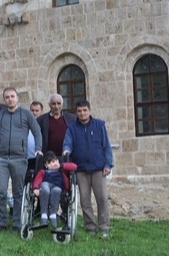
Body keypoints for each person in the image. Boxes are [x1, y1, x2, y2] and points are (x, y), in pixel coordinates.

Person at [0, 87, 42, 232]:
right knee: (0, 191)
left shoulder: (26, 114)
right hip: (2, 159)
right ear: (4, 100)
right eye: (7, 97)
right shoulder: (0, 115)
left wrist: (38, 148)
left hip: (19, 159)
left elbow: (37, 131)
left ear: (17, 98)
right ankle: (2, 221)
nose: (10, 99)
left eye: (12, 96)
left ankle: (17, 223)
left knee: (18, 192)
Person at [62, 99, 114, 239]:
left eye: (85, 110)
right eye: (79, 111)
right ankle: (90, 227)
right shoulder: (72, 128)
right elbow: (68, 143)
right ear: (76, 113)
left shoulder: (99, 125)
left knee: (102, 198)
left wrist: (108, 164)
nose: (82, 113)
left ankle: (104, 228)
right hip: (80, 169)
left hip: (98, 168)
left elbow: (106, 146)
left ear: (89, 111)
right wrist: (66, 150)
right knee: (85, 200)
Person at [32, 151, 77, 228]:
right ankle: (44, 214)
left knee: (56, 191)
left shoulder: (62, 170)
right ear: (46, 165)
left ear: (58, 161)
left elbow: (74, 167)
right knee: (44, 186)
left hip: (58, 188)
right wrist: (35, 188)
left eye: (54, 161)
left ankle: (53, 214)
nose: (53, 164)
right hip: (45, 187)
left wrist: (62, 165)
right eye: (50, 163)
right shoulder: (43, 172)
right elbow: (37, 180)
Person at [37, 93, 76, 158]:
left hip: (67, 156)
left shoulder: (71, 118)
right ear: (49, 105)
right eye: (53, 104)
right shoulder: (41, 120)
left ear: (62, 104)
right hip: (49, 158)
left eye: (58, 103)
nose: (56, 106)